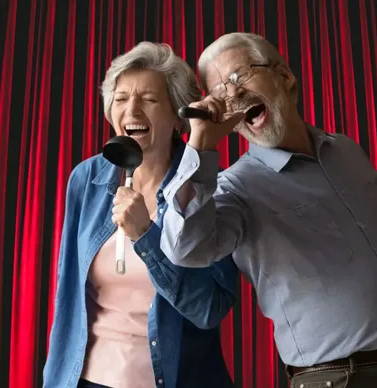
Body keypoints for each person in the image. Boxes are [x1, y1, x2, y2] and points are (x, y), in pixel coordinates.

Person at [159, 32, 377, 388]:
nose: (233, 94)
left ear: (284, 76)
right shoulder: (235, 188)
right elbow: (184, 247)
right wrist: (200, 146)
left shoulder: (345, 151)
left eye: (238, 76)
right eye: (219, 91)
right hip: (337, 380)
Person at [43, 42, 238, 388]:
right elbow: (67, 296)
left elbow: (208, 309)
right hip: (85, 380)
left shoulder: (209, 187)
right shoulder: (87, 178)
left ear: (177, 116)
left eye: (148, 99)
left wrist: (145, 235)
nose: (131, 110)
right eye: (121, 99)